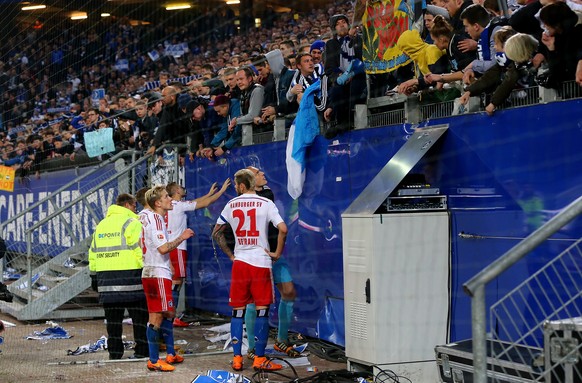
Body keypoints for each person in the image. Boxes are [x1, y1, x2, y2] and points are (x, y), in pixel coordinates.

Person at [212, 169, 288, 372]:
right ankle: (260, 359)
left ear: (241, 186)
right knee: (262, 310)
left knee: (237, 311)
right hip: (260, 262)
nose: (236, 188)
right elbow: (283, 228)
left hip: (240, 264)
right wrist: (277, 252)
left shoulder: (231, 204)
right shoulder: (266, 203)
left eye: (236, 185)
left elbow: (216, 232)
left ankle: (237, 359)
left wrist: (231, 255)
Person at [243, 166, 299, 360]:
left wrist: (277, 251)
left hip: (274, 255)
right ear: (251, 179)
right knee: (255, 301)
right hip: (256, 257)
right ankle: (251, 347)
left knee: (289, 292)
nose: (264, 174)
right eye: (259, 173)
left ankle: (281, 340)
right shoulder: (242, 202)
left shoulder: (267, 194)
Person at [88, 193, 149, 360]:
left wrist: (93, 276)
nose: (136, 208)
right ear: (128, 205)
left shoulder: (101, 225)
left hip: (106, 281)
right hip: (132, 279)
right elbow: (139, 249)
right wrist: (147, 269)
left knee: (113, 322)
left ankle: (115, 353)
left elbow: (93, 251)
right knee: (139, 319)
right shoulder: (132, 222)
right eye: (135, 205)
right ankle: (142, 350)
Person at [140, 186, 194, 372]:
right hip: (156, 272)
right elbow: (163, 248)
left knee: (168, 314)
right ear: (158, 203)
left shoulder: (147, 215)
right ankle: (154, 360)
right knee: (156, 316)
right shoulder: (155, 218)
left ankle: (170, 353)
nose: (170, 199)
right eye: (166, 197)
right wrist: (182, 236)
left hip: (153, 270)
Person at [165, 178, 231, 325]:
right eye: (180, 187)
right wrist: (221, 191)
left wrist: (208, 193)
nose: (183, 189)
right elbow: (205, 204)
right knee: (176, 282)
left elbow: (195, 201)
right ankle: (170, 317)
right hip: (177, 248)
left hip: (168, 247)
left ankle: (169, 315)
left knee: (173, 282)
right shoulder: (178, 206)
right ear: (176, 191)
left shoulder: (170, 206)